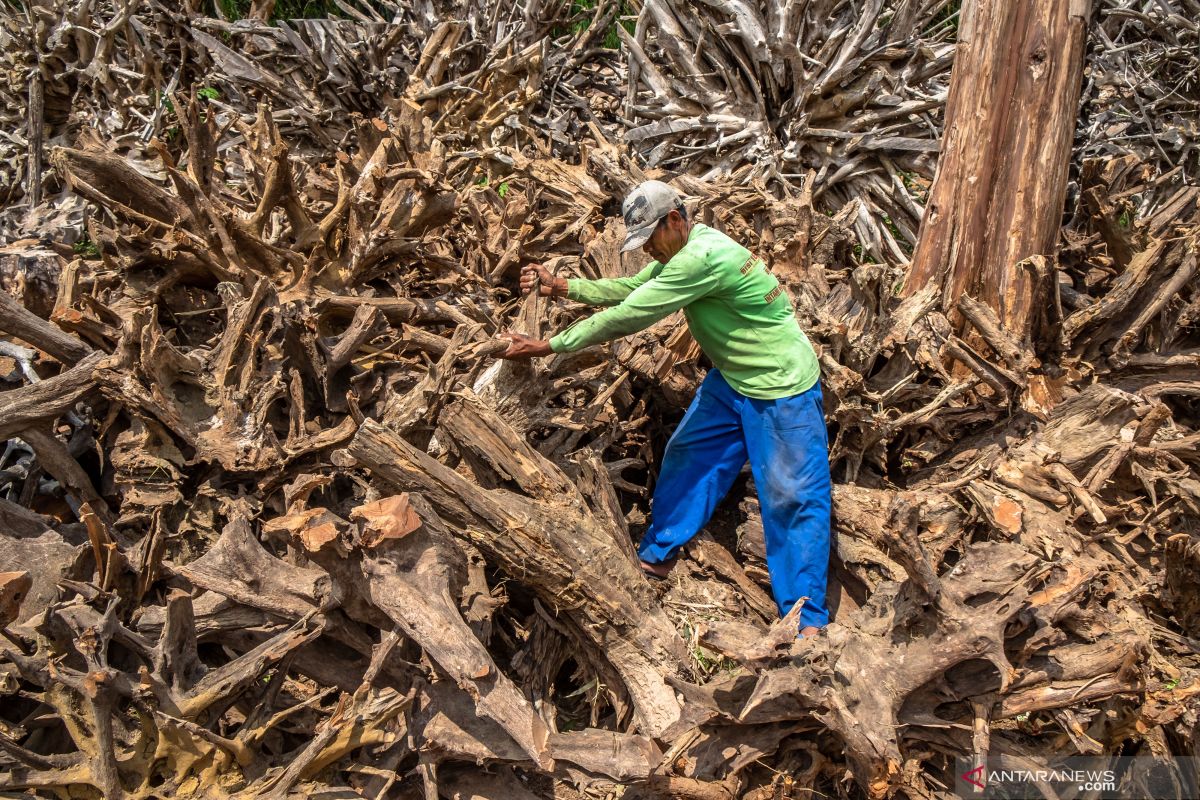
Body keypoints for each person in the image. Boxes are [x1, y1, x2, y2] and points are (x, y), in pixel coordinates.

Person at [500, 180, 832, 637]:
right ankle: (658, 554)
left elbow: (633, 313)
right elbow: (635, 285)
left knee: (792, 497)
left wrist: (550, 345)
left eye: (650, 238)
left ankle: (805, 621)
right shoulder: (684, 251)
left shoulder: (702, 258)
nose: (650, 251)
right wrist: (564, 287)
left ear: (675, 220)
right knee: (689, 456)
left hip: (781, 387)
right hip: (734, 378)